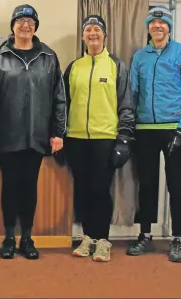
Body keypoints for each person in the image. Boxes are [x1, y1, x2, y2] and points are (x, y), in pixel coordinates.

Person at [0, 4, 67, 260]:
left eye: (30, 21)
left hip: (38, 137)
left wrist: (57, 132)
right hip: (6, 137)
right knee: (9, 186)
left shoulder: (49, 57)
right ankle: (8, 237)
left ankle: (27, 237)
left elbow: (59, 98)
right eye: (20, 21)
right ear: (13, 26)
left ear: (35, 26)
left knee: (29, 187)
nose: (25, 26)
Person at [126, 6, 181, 262]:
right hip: (144, 130)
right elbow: (133, 94)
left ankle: (177, 238)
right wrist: (129, 125)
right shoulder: (139, 57)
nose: (157, 26)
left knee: (175, 185)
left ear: (169, 27)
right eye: (153, 22)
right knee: (146, 185)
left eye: (162, 22)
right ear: (148, 27)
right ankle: (145, 235)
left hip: (173, 130)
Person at [63, 15, 135, 262]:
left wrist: (124, 139)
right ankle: (87, 238)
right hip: (76, 138)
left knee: (100, 190)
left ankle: (102, 240)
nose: (92, 33)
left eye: (97, 29)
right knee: (82, 190)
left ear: (104, 35)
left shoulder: (116, 65)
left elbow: (126, 104)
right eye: (88, 30)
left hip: (105, 138)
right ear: (83, 36)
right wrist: (61, 135)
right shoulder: (74, 67)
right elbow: (63, 104)